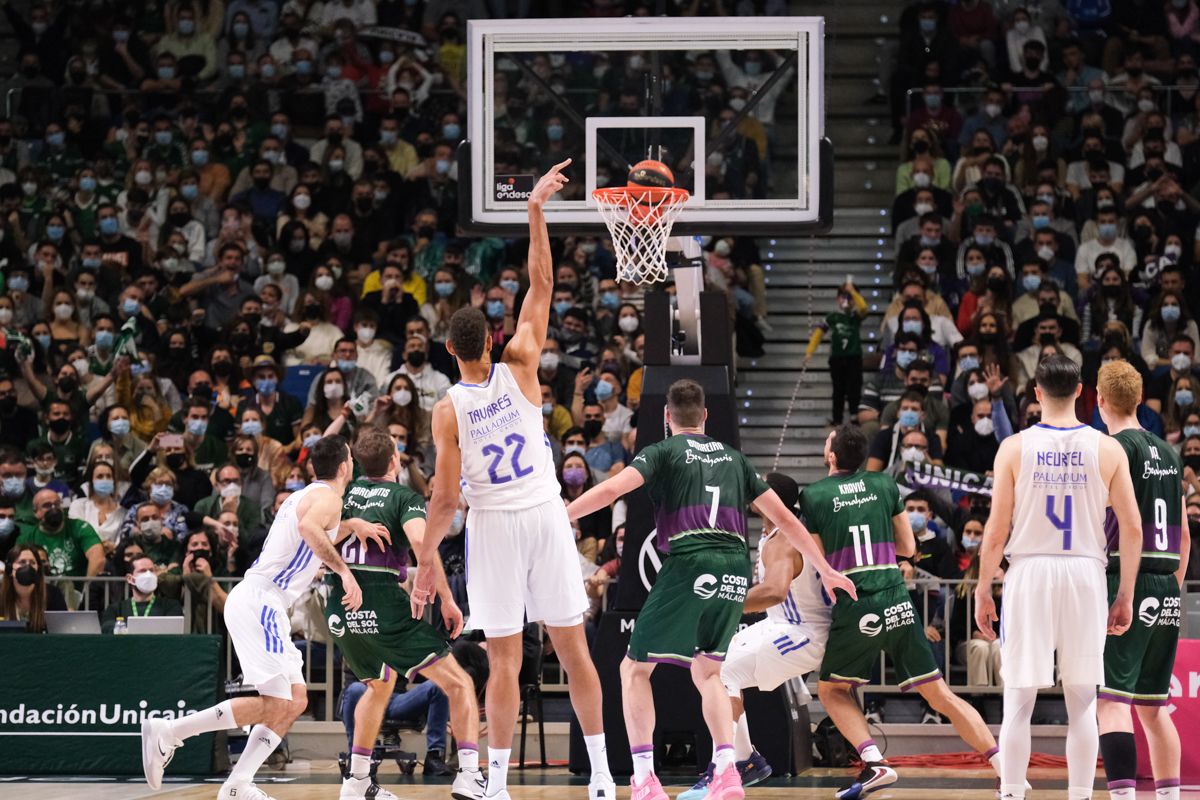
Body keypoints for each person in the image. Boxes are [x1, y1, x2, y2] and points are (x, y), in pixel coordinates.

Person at [411, 161, 616, 800]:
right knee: (575, 651)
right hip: (547, 515)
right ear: (493, 338)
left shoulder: (447, 409)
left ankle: (495, 786)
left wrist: (425, 559)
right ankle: (606, 778)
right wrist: (534, 209)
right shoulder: (523, 362)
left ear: (450, 350)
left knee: (503, 660)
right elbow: (543, 280)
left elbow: (444, 497)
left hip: (494, 524)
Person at [566, 380, 856, 800]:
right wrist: (827, 569)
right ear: (705, 417)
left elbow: (612, 490)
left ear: (667, 418)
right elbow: (788, 521)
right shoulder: (736, 459)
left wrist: (561, 514)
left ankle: (645, 779)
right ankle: (728, 772)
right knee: (709, 672)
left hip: (691, 558)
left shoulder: (662, 451)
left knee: (633, 669)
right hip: (735, 565)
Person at [140, 435, 386, 800]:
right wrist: (345, 572)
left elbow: (315, 525)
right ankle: (171, 731)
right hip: (262, 601)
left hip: (263, 601)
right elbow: (310, 530)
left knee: (296, 700)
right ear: (346, 465)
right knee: (275, 704)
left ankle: (238, 784)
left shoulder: (310, 496)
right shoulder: (328, 498)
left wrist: (353, 526)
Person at [975, 355, 1143, 800]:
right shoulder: (1108, 448)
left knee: (1018, 699)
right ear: (1083, 391)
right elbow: (1132, 526)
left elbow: (995, 530)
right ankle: (1081, 796)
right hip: (1086, 573)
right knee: (1083, 700)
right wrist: (1124, 591)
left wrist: (982, 587)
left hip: (1029, 570)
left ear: (1036, 392)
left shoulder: (1013, 446)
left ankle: (1011, 792)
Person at [810, 425, 1001, 800]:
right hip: (897, 598)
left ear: (831, 456)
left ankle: (874, 761)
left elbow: (819, 561)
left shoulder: (815, 495)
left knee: (831, 689)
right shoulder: (883, 485)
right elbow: (908, 545)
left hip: (858, 600)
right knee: (941, 695)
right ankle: (1003, 766)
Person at [330, 428, 483, 800]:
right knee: (459, 683)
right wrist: (444, 598)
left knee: (378, 686)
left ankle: (357, 781)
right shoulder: (404, 497)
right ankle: (469, 775)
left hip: (339, 603)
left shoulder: (341, 494)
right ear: (395, 461)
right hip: (381, 600)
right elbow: (421, 544)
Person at [1094, 361, 1189, 800]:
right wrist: (1171, 588)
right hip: (1167, 582)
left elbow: (1109, 522)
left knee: (1111, 701)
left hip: (1126, 580)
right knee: (1153, 708)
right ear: (1139, 399)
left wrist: (1128, 592)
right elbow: (1184, 532)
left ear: (1098, 400)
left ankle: (1123, 797)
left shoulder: (1112, 449)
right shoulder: (1170, 453)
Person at [712, 472, 831, 793]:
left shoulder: (783, 540)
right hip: (783, 625)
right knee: (717, 668)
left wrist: (725, 604)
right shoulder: (775, 533)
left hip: (801, 633)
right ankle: (743, 760)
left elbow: (775, 591)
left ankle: (730, 764)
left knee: (720, 673)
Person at [805, 281, 868, 425]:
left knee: (854, 387)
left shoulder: (856, 316)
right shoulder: (832, 317)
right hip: (837, 358)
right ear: (837, 299)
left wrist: (853, 292)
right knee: (838, 389)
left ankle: (854, 415)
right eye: (843, 296)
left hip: (854, 357)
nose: (846, 300)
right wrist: (809, 352)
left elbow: (864, 308)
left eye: (849, 297)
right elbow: (818, 334)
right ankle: (837, 418)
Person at [101, 554, 184, 634]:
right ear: (130, 579)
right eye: (142, 571)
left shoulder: (171, 606)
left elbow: (173, 631)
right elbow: (106, 628)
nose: (148, 575)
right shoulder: (116, 609)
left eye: (151, 570)